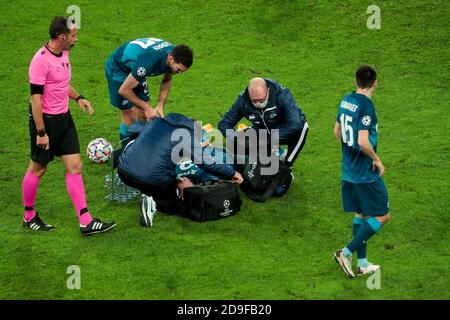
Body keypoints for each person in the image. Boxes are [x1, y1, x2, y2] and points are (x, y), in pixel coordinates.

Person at [22, 17, 116, 235]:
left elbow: (61, 83)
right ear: (61, 37)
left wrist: (78, 97)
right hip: (45, 121)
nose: (76, 38)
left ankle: (86, 221)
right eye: (73, 35)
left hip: (64, 118)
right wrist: (41, 132)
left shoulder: (64, 52)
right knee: (38, 169)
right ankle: (28, 216)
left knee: (75, 166)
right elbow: (36, 100)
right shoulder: (40, 61)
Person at [117, 113, 243, 226]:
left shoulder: (156, 122)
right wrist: (232, 172)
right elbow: (204, 162)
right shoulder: (188, 134)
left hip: (123, 171)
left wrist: (176, 180)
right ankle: (153, 202)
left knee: (155, 179)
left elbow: (135, 135)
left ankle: (147, 193)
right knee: (178, 203)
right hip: (151, 178)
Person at [333, 65, 391, 278]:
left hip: (347, 170)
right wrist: (376, 160)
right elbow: (362, 140)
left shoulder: (345, 100)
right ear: (375, 82)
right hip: (364, 174)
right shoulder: (366, 107)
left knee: (362, 214)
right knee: (383, 215)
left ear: (355, 81)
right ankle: (346, 253)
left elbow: (336, 132)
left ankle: (363, 263)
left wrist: (348, 155)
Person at [218, 77, 309, 195]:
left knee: (278, 190)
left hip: (291, 132)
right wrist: (236, 138)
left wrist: (270, 140)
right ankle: (261, 160)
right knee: (234, 146)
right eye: (254, 101)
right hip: (262, 131)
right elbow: (224, 124)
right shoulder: (243, 100)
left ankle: (286, 167)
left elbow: (295, 124)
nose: (257, 104)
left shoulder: (282, 95)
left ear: (268, 91)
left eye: (261, 100)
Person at [105, 37, 193, 144]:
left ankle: (140, 147)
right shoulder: (147, 63)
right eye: (179, 70)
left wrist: (160, 105)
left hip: (137, 68)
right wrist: (147, 108)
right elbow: (124, 90)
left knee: (143, 114)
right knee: (129, 116)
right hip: (118, 69)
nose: (179, 73)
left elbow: (167, 79)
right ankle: (125, 154)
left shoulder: (172, 55)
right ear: (171, 58)